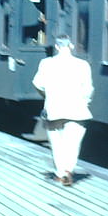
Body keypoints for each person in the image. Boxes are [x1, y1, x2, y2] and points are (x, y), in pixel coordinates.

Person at [32, 34, 93, 186]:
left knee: (57, 143)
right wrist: (85, 102)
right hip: (78, 110)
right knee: (72, 143)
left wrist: (47, 96)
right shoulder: (83, 65)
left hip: (54, 109)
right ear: (71, 46)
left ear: (57, 47)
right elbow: (89, 89)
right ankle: (68, 171)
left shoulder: (46, 63)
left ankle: (60, 173)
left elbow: (38, 84)